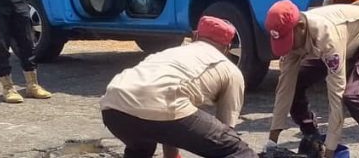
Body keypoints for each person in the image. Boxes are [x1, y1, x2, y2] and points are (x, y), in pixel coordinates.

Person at [100, 16, 257, 158]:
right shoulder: (230, 70)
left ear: (195, 36)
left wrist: (172, 155)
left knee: (141, 148)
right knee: (236, 150)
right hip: (162, 106)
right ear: (227, 47)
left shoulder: (169, 53)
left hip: (113, 107)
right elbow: (224, 133)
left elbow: (168, 118)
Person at [263, 0, 359, 158]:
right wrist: (271, 143)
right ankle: (312, 137)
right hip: (348, 42)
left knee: (355, 96)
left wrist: (330, 152)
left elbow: (336, 99)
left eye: (289, 40)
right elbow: (284, 89)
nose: (289, 47)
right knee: (296, 83)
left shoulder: (327, 36)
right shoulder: (293, 36)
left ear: (300, 26)